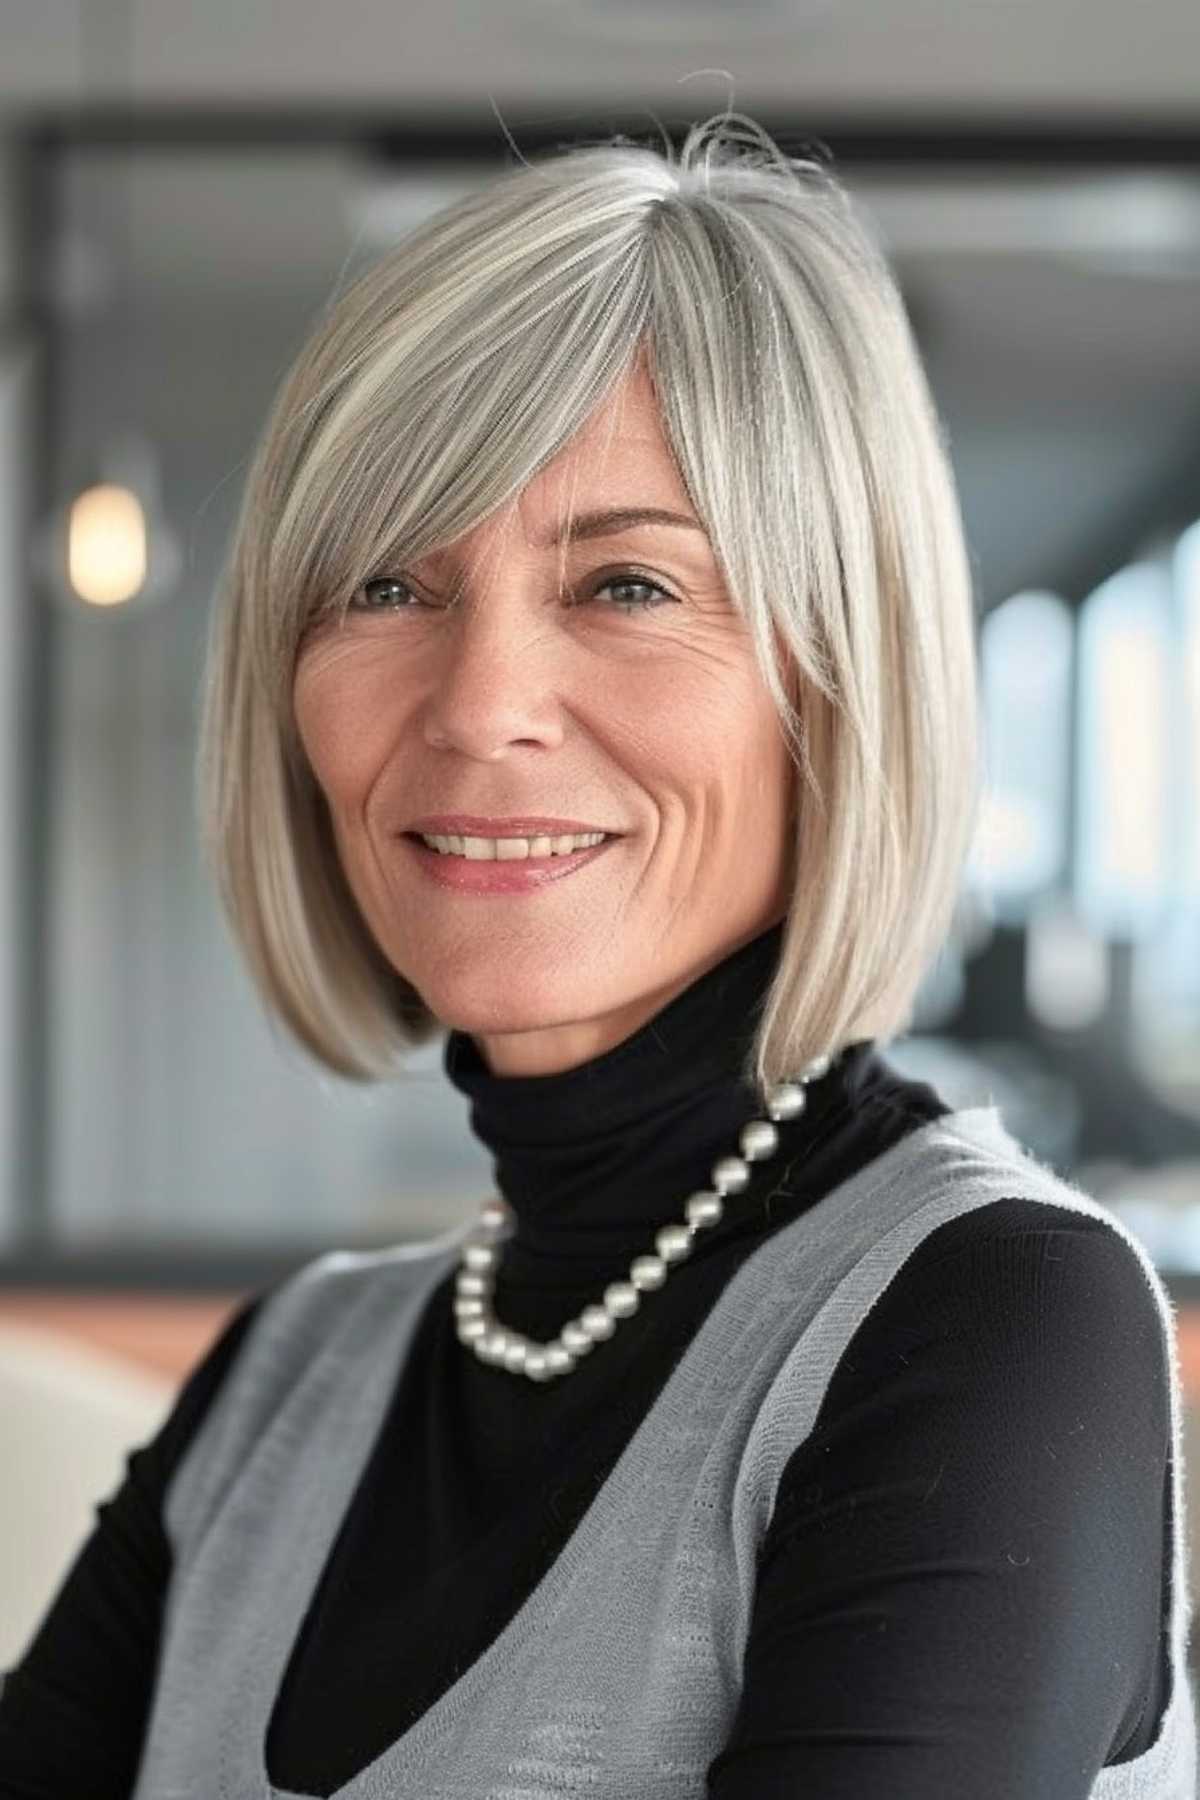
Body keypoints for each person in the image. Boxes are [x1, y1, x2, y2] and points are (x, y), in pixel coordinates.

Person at [0, 112, 1193, 1800]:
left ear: (836, 685)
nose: (480, 707)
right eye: (390, 585)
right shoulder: (288, 1371)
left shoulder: (992, 1318)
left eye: (629, 585)